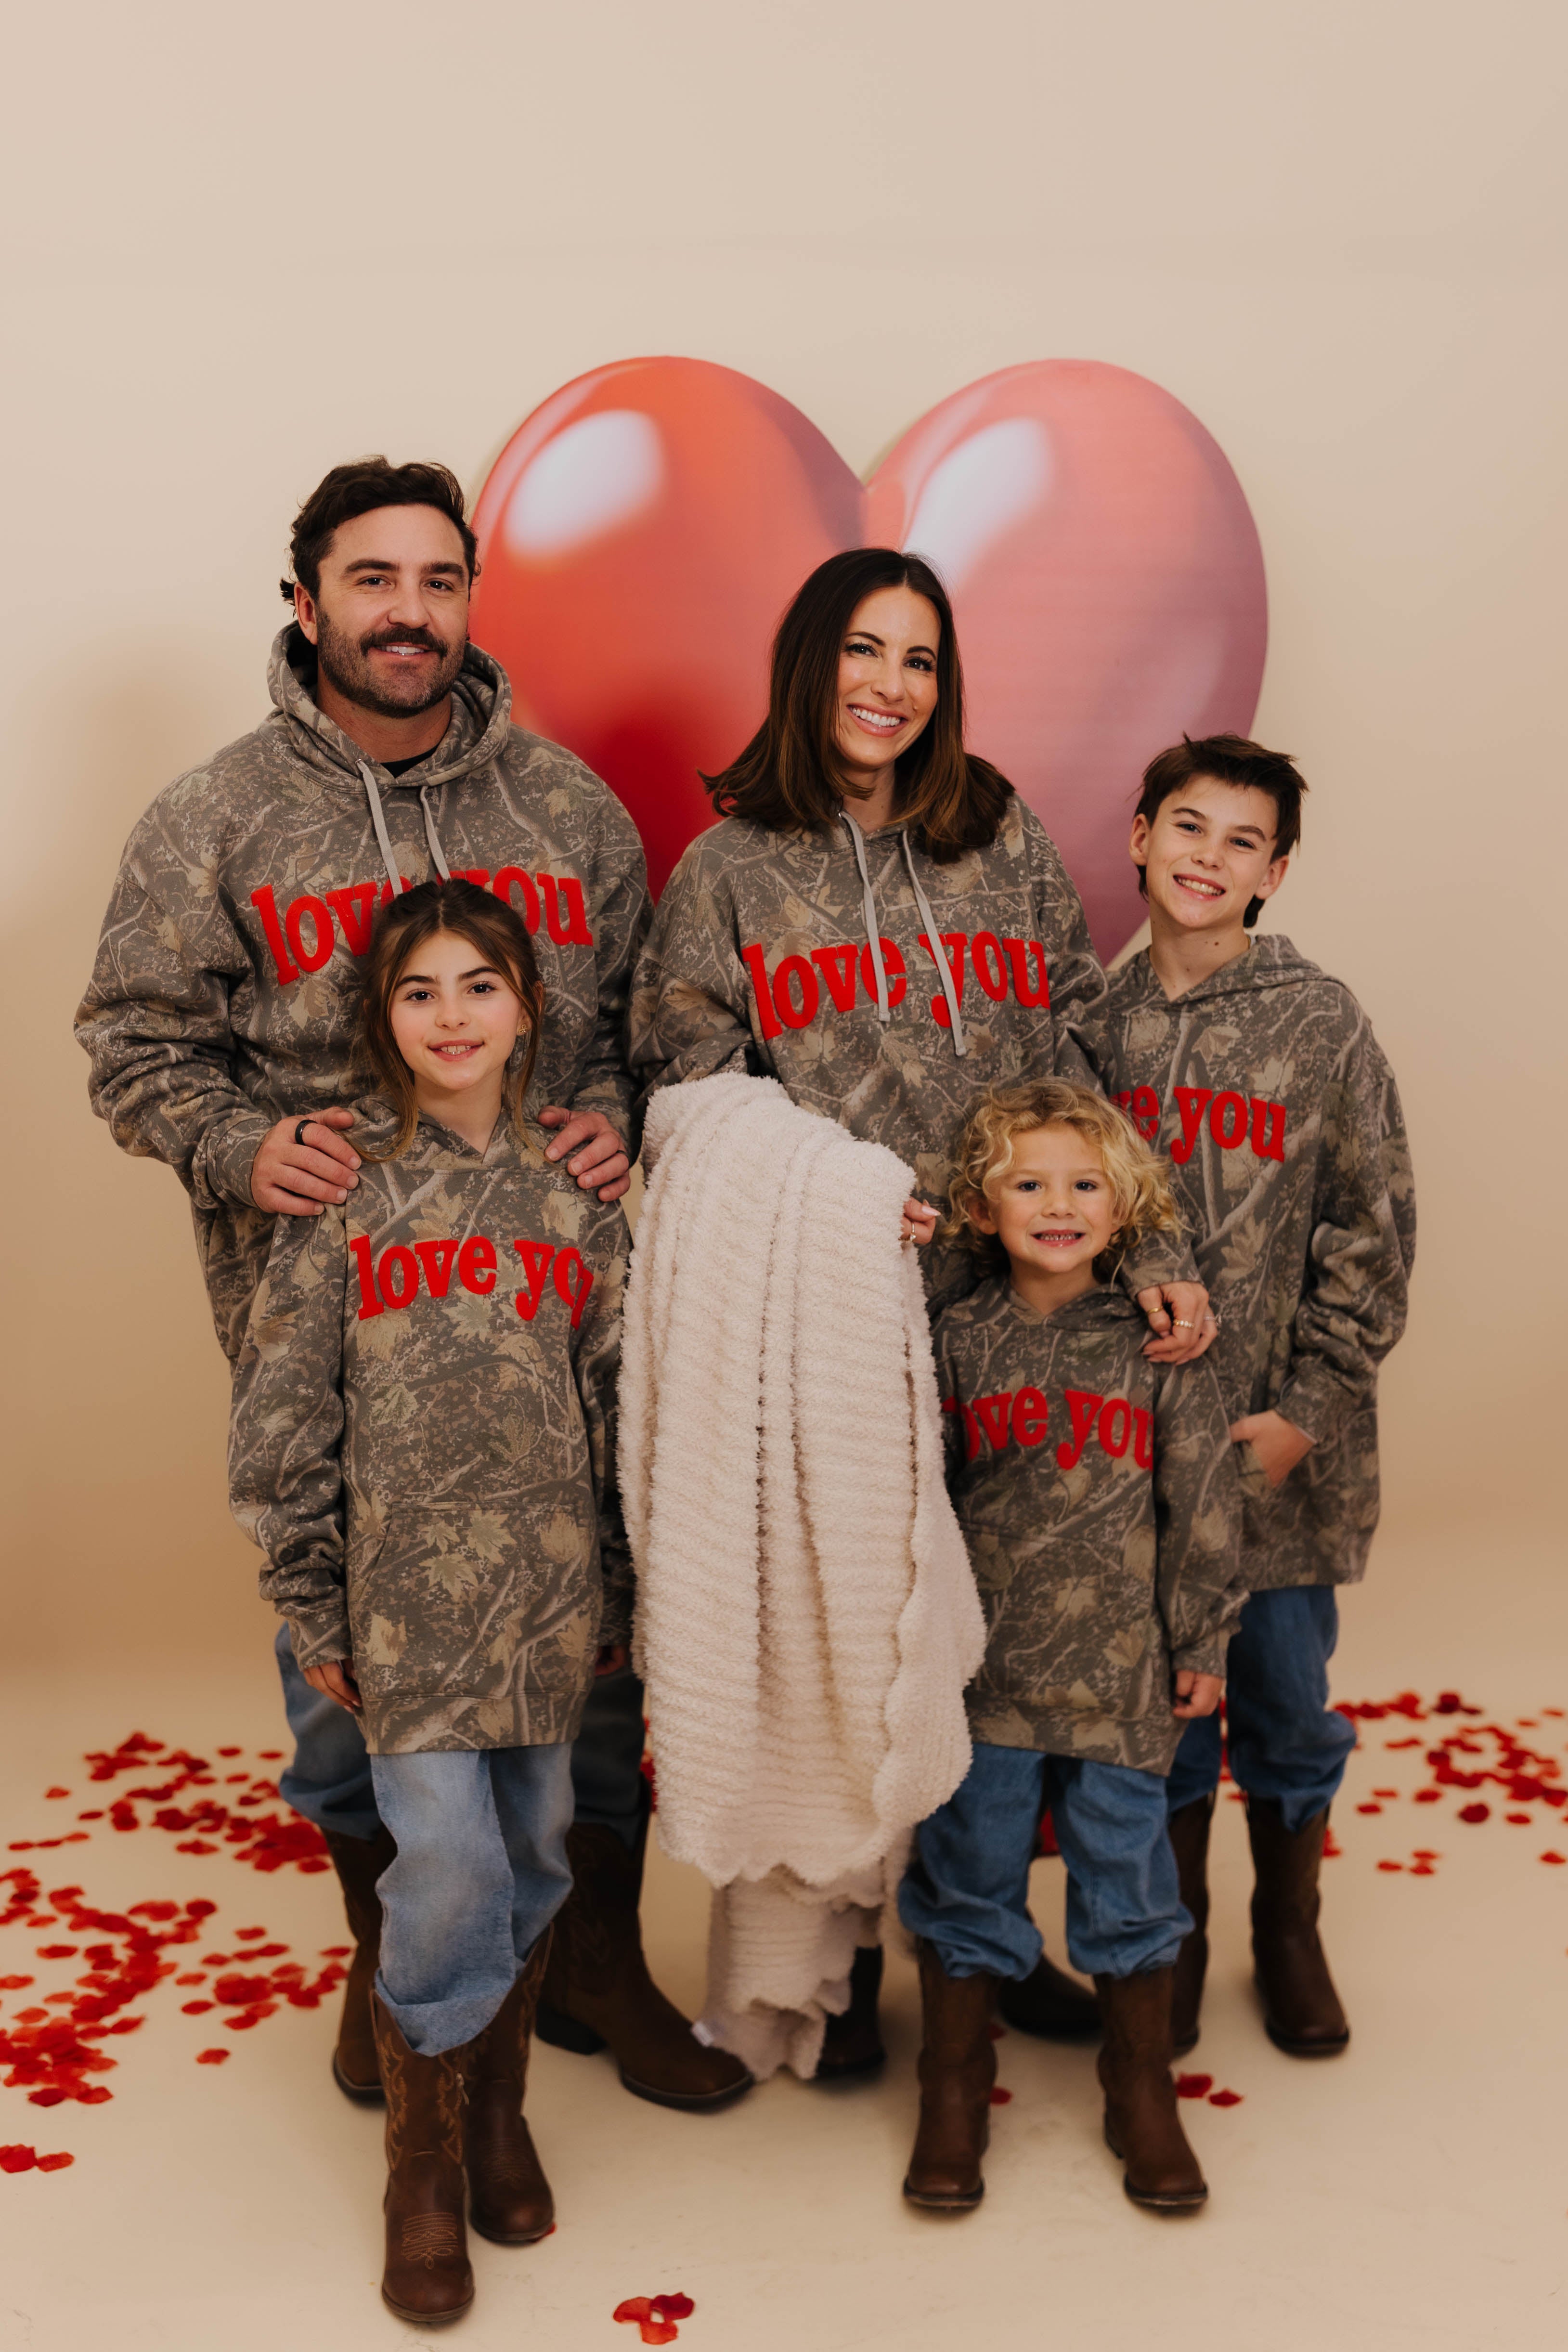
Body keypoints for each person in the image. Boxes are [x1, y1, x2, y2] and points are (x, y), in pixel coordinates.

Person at [75, 456, 747, 2117]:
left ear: (466, 600)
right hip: (336, 1316)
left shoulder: (565, 810)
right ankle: (401, 1963)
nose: (406, 611)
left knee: (587, 1649)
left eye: (437, 580)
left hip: (535, 1307)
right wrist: (243, 1147)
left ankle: (587, 1956)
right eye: (370, 580)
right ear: (306, 604)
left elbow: (640, 1029)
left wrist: (610, 1119)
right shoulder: (213, 817)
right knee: (343, 1669)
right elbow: (130, 1045)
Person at [628, 546, 1217, 2070]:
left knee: (1004, 1639)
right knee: (862, 1633)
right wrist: (826, 1185)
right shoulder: (732, 869)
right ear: (809, 663)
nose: (893, 687)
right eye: (864, 653)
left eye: (923, 659)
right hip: (852, 1312)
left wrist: (1138, 1238)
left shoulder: (997, 829)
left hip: (1033, 1299)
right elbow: (685, 1086)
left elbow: (1074, 1040)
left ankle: (983, 1943)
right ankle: (844, 1971)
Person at [231, 878, 643, 2321]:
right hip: (403, 1616)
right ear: (381, 1019)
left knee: (536, 1845)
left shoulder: (576, 1190)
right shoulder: (348, 1186)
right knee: (450, 1861)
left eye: (481, 985)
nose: (453, 1015)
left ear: (529, 1004)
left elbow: (619, 1402)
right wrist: (313, 1601)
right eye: (419, 991)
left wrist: (626, 1588)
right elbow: (284, 1413)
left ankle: (497, 2106)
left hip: (547, 1603)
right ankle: (422, 2164)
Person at [1091, 734, 1415, 2058]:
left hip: (1277, 1453)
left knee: (1280, 1702)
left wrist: (1312, 1404)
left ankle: (1291, 1924)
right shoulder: (1089, 1024)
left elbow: (1371, 1219)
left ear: (1274, 867)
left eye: (1239, 840)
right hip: (1135, 1463)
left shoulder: (1318, 1019)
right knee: (1167, 1707)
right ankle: (1180, 1931)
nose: (1206, 857)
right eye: (1185, 825)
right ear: (1137, 834)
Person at [899, 1081, 1245, 2214]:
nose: (1060, 1205)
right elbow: (921, 1503)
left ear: (1126, 1201)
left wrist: (1202, 1634)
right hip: (984, 1678)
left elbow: (1201, 1502)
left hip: (1120, 1676)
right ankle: (953, 2083)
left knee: (1129, 1882)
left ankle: (1139, 2085)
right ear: (980, 1207)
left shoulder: (1161, 1341)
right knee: (969, 1878)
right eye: (1029, 1183)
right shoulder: (954, 1337)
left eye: (1085, 1183)